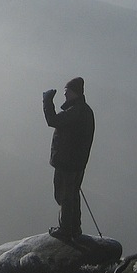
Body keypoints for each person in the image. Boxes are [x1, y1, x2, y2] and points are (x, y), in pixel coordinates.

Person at [43, 77, 95, 241]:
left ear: (75, 93)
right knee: (72, 194)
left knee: (64, 195)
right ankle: (74, 228)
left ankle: (66, 230)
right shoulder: (85, 111)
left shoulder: (75, 112)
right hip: (77, 162)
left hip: (67, 162)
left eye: (67, 92)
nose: (65, 95)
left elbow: (52, 121)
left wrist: (47, 101)